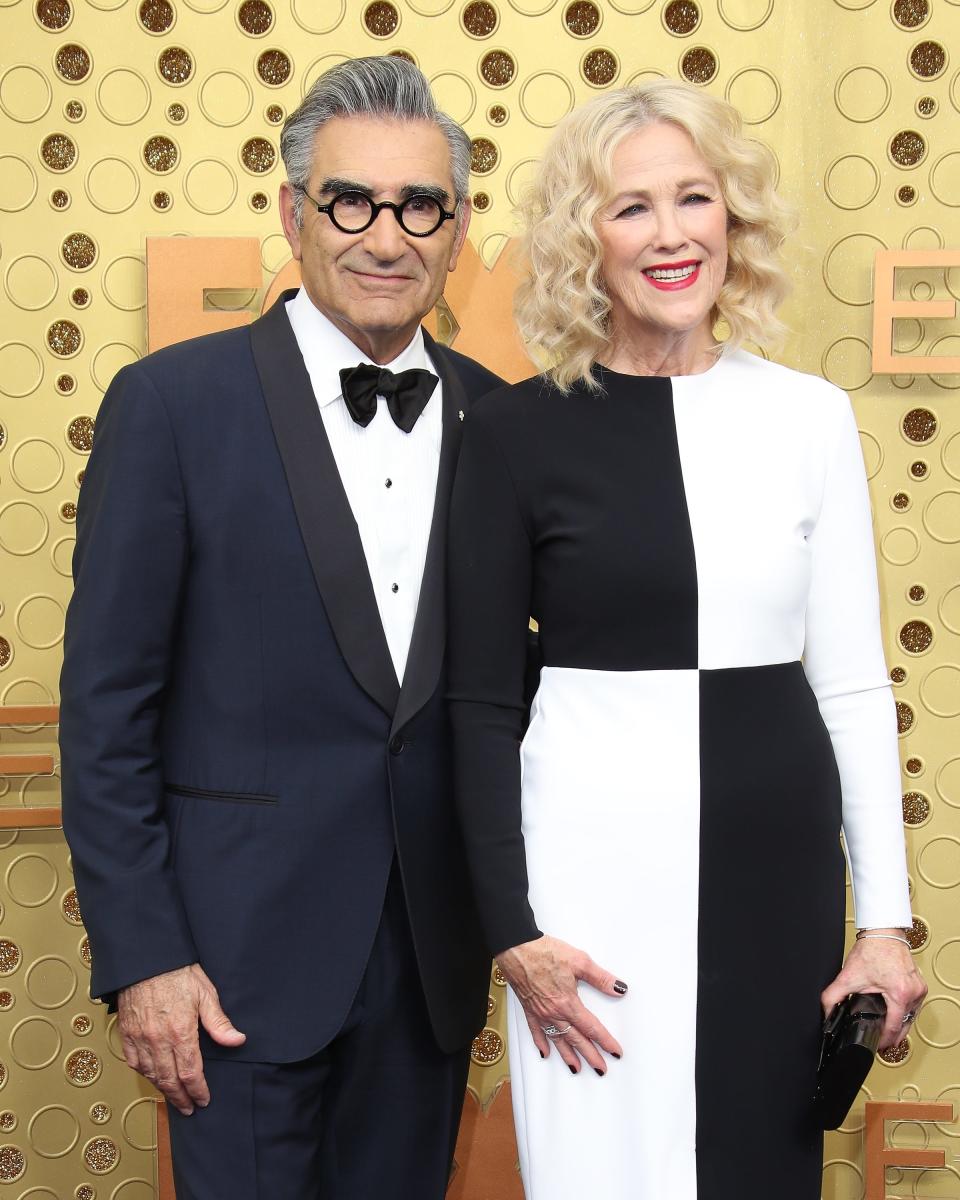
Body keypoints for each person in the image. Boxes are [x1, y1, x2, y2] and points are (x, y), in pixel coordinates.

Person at [447, 80, 927, 1199]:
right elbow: (474, 706)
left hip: (778, 881)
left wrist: (885, 927)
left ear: (733, 219)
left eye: (693, 199)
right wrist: (511, 932)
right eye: (630, 209)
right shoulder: (513, 432)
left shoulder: (809, 416)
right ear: (584, 241)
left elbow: (852, 686)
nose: (670, 235)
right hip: (584, 888)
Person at [60, 56, 499, 1200]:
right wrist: (145, 955)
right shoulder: (170, 405)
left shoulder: (503, 419)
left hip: (430, 967)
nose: (385, 237)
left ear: (457, 229)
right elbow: (106, 711)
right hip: (230, 969)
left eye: (419, 207)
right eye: (352, 201)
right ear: (297, 213)